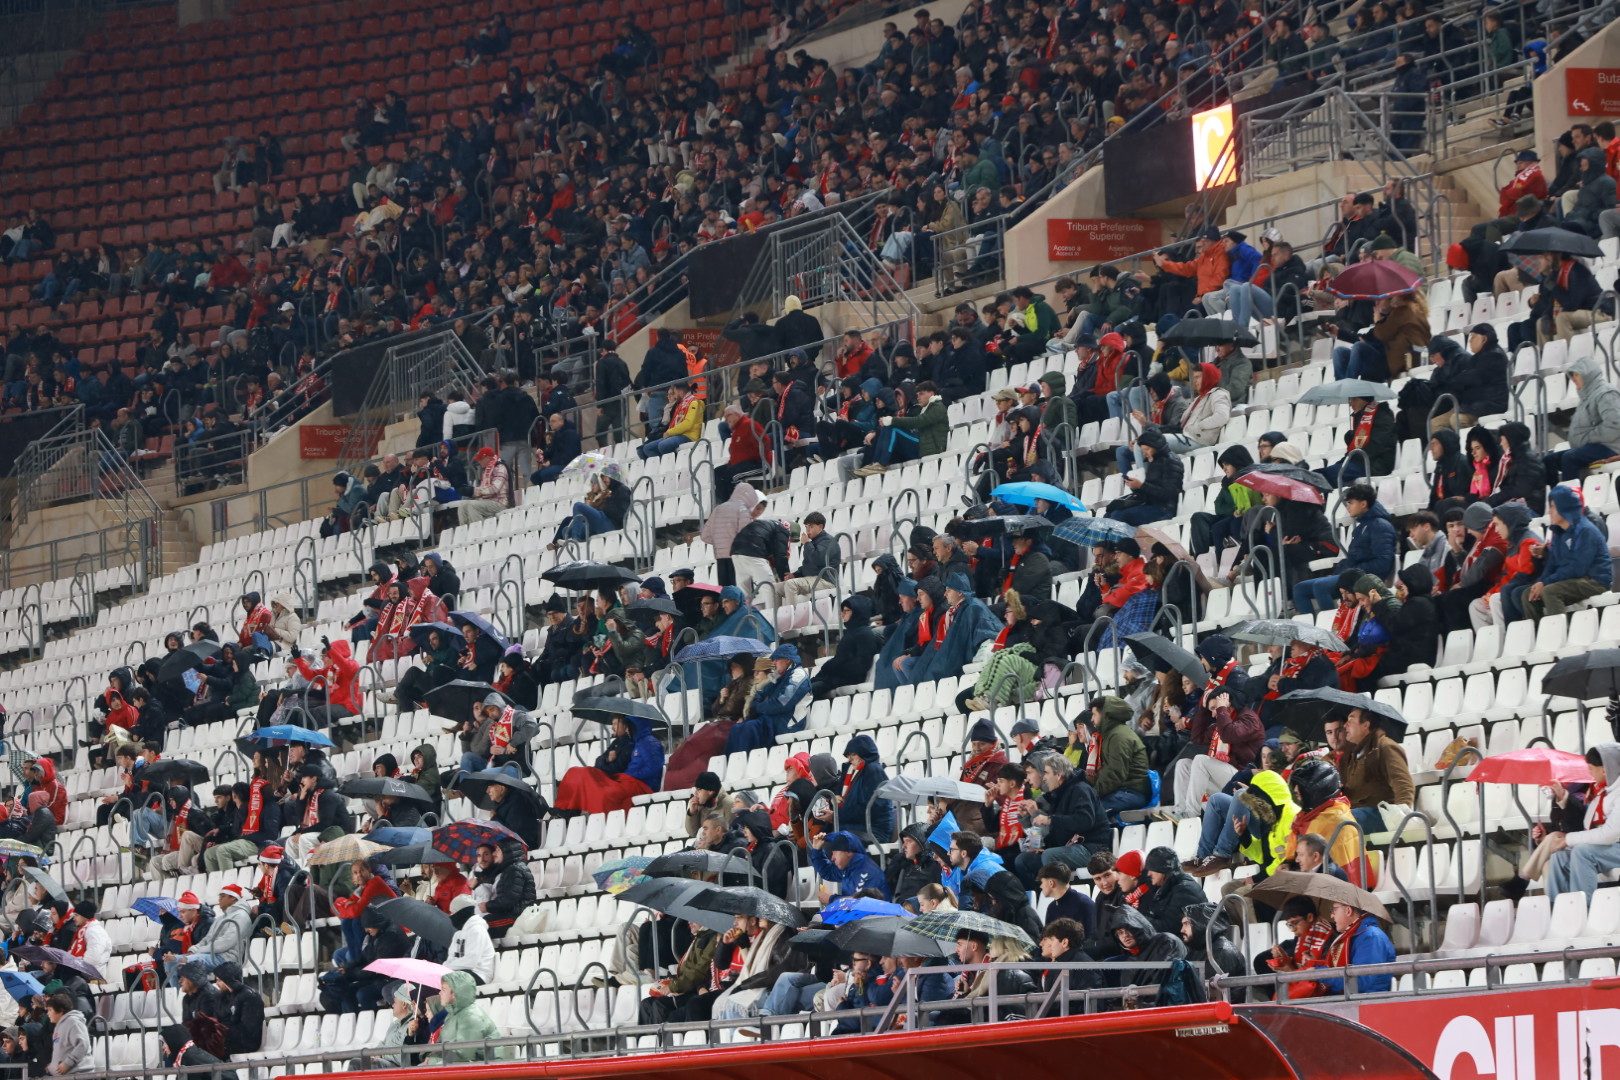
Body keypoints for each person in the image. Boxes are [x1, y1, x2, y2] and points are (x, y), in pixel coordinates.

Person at [1291, 484, 1395, 615]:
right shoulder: (1362, 527)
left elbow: (1383, 563)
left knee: (1321, 586)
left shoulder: (1381, 526)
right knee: (1300, 589)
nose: (1347, 507)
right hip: (1353, 574)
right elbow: (1353, 559)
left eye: (1351, 503)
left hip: (1367, 577)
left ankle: (1332, 625)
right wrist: (1342, 572)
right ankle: (1311, 626)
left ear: (1363, 504)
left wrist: (1351, 572)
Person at [1013, 753, 1108, 888]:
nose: (1044, 777)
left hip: (1092, 848)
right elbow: (1060, 831)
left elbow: (1085, 820)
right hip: (1071, 846)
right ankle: (1041, 895)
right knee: (1024, 860)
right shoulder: (1058, 795)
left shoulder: (1080, 789)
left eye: (1046, 773)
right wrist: (1043, 846)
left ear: (1058, 775)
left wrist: (1050, 820)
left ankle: (1060, 896)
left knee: (1050, 856)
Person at [1524, 485, 1612, 620]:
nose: (1549, 512)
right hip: (1574, 579)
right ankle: (1539, 631)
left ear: (1563, 507)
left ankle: (1560, 630)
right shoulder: (1559, 532)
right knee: (1528, 595)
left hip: (1594, 581)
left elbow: (1577, 568)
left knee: (1550, 592)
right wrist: (1541, 582)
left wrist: (1546, 583)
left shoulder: (1586, 531)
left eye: (1552, 507)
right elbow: (1552, 564)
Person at [1545, 745, 1620, 901]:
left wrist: (1568, 839)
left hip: (1615, 845)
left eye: (1591, 768)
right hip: (1608, 848)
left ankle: (1582, 909)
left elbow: (1610, 835)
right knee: (1560, 857)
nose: (1589, 773)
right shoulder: (1602, 791)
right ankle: (1557, 908)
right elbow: (1586, 827)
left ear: (1604, 770)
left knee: (1582, 852)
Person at [552, 712, 664, 816]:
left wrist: (628, 775)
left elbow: (652, 767)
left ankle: (601, 820)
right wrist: (607, 760)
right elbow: (600, 761)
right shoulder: (631, 742)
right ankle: (564, 809)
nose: (627, 729)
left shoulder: (649, 742)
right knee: (575, 772)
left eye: (629, 726)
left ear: (636, 726)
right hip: (624, 779)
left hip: (641, 785)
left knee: (605, 793)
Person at [1338, 707, 1415, 838]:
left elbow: (1403, 783)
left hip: (1381, 814)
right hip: (1357, 813)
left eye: (1351, 720)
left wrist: (1400, 818)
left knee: (1341, 822)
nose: (1345, 725)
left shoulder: (1385, 746)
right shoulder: (1353, 754)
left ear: (1365, 725)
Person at [1546, 355, 1620, 482]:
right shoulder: (1586, 397)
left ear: (1588, 374)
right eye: (1572, 375)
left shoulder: (1605, 393)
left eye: (1577, 374)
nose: (1574, 379)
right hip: (1592, 447)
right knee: (1548, 461)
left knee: (1570, 457)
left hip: (1610, 447)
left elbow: (1615, 424)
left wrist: (1588, 438)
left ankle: (1571, 494)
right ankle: (1556, 493)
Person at [1317, 900, 1396, 994]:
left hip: (1367, 1000)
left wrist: (1318, 973)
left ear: (1348, 910)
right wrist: (1315, 966)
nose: (1331, 916)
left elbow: (1361, 980)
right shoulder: (1355, 935)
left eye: (1334, 910)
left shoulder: (1371, 936)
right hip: (1352, 998)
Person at [434, 969, 501, 1062]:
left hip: (487, 1068)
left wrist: (433, 1062)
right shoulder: (452, 1015)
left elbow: (463, 1056)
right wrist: (430, 1058)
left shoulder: (471, 1016)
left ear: (455, 993)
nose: (440, 993)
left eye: (443, 989)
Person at [809, 831, 891, 900]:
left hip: (877, 914)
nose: (832, 858)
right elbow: (827, 871)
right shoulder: (848, 868)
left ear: (848, 852)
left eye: (835, 853)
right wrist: (817, 850)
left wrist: (832, 899)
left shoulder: (867, 871)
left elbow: (863, 903)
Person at [445, 893, 495, 985]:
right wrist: (443, 969)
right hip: (461, 972)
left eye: (453, 912)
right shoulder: (458, 934)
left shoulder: (478, 930)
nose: (451, 916)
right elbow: (451, 957)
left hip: (480, 974)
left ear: (462, 913)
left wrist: (446, 969)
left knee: (446, 982)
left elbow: (471, 961)